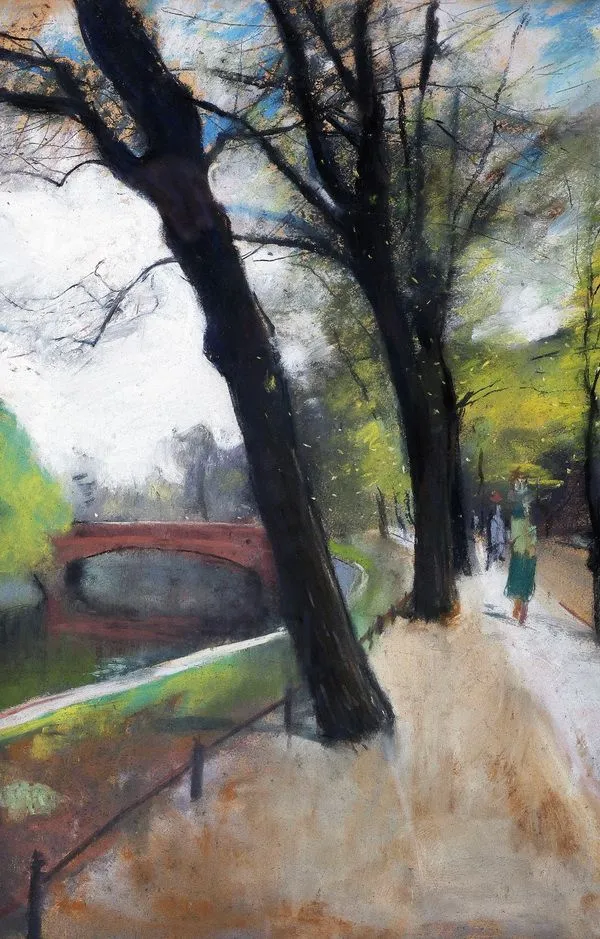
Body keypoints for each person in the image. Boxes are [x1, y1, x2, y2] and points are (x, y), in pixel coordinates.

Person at [505, 502, 537, 625]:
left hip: (518, 556)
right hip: (528, 557)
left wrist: (512, 542)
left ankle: (517, 609)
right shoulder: (529, 523)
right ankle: (522, 613)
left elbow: (513, 539)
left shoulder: (514, 521)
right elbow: (533, 540)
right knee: (526, 584)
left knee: (517, 582)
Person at [485, 492, 506, 569]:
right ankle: (489, 564)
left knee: (501, 541)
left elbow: (502, 517)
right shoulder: (491, 507)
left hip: (499, 525)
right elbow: (489, 519)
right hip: (493, 523)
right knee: (493, 544)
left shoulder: (500, 507)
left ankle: (499, 556)